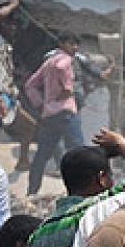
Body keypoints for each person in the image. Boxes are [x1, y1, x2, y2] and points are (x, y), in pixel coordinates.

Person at [23, 33, 85, 196]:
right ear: (61, 44)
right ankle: (81, 192)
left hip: (50, 115)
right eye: (71, 43)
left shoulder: (48, 63)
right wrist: (67, 88)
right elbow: (62, 69)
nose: (75, 48)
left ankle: (32, 191)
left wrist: (40, 104)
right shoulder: (65, 60)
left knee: (42, 155)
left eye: (76, 44)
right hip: (66, 112)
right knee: (79, 153)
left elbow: (29, 85)